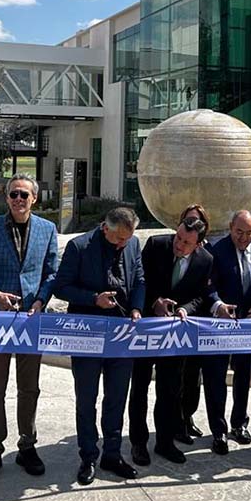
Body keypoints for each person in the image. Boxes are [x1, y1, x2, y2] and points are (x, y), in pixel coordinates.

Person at [0, 174, 59, 482]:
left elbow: (51, 272)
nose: (19, 199)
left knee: (29, 388)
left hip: (31, 321)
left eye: (24, 194)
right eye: (14, 194)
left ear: (34, 198)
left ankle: (27, 445)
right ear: (7, 197)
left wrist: (40, 300)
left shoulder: (47, 229)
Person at [55, 207, 145, 485]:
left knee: (116, 399)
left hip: (122, 335)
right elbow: (61, 287)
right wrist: (94, 298)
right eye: (119, 238)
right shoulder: (79, 246)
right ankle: (88, 456)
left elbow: (139, 280)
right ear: (106, 228)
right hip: (88, 334)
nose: (123, 244)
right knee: (87, 399)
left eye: (127, 239)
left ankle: (112, 454)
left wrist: (137, 308)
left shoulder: (133, 244)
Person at [127, 215, 215, 466]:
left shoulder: (205, 260)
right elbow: (138, 281)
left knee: (169, 390)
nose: (179, 244)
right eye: (178, 237)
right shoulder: (156, 245)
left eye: (186, 242)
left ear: (197, 244)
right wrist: (154, 302)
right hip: (146, 332)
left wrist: (186, 309)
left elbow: (201, 296)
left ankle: (165, 442)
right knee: (140, 388)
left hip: (175, 337)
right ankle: (138, 443)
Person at [204, 210, 251, 455]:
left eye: (249, 232)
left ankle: (239, 424)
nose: (243, 237)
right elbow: (208, 287)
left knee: (243, 378)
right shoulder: (216, 251)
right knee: (216, 380)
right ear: (230, 227)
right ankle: (218, 431)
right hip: (221, 328)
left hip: (248, 328)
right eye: (239, 232)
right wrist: (218, 305)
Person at [177, 204, 210, 444]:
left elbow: (203, 294)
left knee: (192, 378)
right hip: (169, 325)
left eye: (197, 221)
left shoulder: (206, 258)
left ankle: (187, 417)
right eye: (188, 220)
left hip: (195, 325)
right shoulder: (166, 246)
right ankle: (175, 422)